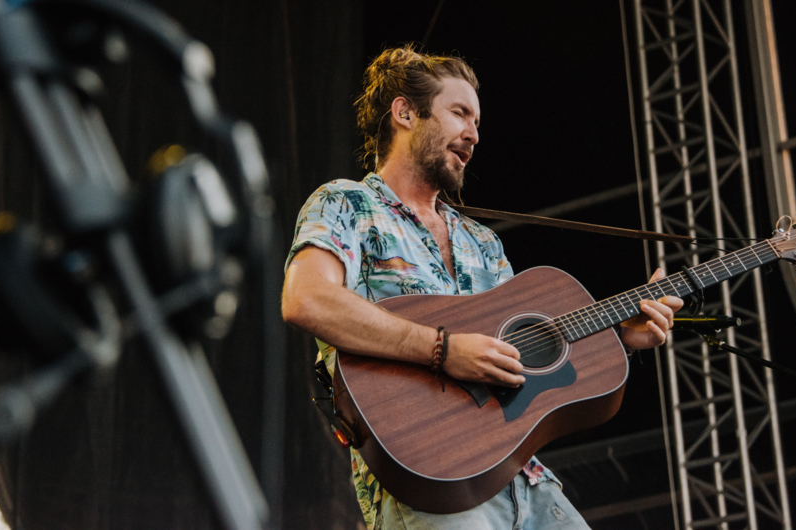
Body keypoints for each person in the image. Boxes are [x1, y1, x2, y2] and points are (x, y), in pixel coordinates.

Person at [281, 44, 683, 529]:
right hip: (432, 485)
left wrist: (618, 335)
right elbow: (306, 299)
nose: (474, 134)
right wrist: (441, 348)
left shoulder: (482, 241)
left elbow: (523, 358)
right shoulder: (347, 203)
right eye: (459, 113)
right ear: (405, 113)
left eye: (477, 121)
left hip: (526, 479)